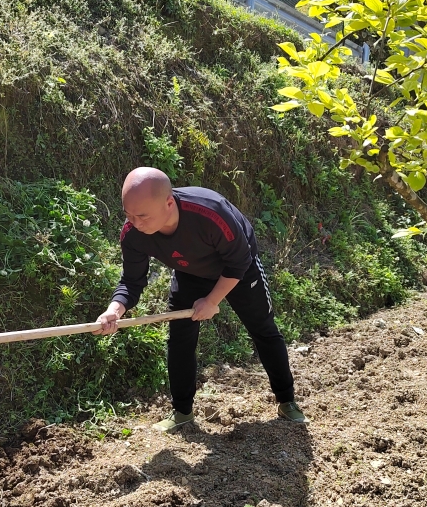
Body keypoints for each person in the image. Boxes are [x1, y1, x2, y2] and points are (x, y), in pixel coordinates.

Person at [96, 167, 307, 431]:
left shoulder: (210, 212)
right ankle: (182, 411)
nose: (134, 223)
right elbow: (131, 281)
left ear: (169, 203)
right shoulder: (133, 233)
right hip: (190, 272)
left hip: (238, 270)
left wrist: (212, 300)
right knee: (180, 338)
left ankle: (287, 400)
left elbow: (239, 261)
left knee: (263, 329)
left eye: (142, 216)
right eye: (128, 215)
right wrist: (114, 311)